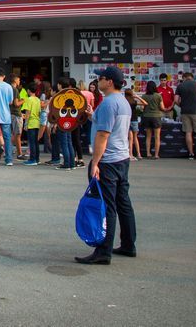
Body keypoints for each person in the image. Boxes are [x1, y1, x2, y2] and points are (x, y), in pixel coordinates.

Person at [75, 66, 136, 265]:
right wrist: (93, 115)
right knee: (123, 202)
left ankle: (103, 251)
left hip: (108, 160)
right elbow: (112, 126)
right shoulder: (123, 102)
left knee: (106, 205)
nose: (97, 81)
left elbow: (103, 134)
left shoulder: (109, 103)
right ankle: (128, 244)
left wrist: (96, 162)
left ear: (109, 81)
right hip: (121, 158)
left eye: (100, 78)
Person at [176, 72, 196, 160]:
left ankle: (191, 153)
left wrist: (181, 106)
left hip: (185, 112)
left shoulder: (180, 86)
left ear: (184, 78)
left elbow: (176, 100)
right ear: (192, 77)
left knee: (188, 132)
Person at [141, 82, 164, 159]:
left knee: (148, 136)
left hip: (147, 116)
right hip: (156, 116)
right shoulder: (158, 96)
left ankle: (148, 153)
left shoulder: (144, 96)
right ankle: (156, 154)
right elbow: (162, 107)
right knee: (157, 137)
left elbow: (142, 108)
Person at [22, 83, 42, 165]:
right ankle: (37, 158)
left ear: (28, 90)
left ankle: (32, 159)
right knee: (36, 142)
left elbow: (28, 112)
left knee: (32, 142)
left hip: (31, 122)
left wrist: (25, 124)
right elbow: (39, 112)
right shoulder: (38, 99)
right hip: (37, 122)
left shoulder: (28, 99)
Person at [125, 88, 147, 160]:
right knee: (135, 138)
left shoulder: (125, 101)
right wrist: (137, 97)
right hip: (134, 120)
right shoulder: (134, 102)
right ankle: (139, 154)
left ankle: (130, 154)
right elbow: (145, 103)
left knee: (130, 138)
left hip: (127, 120)